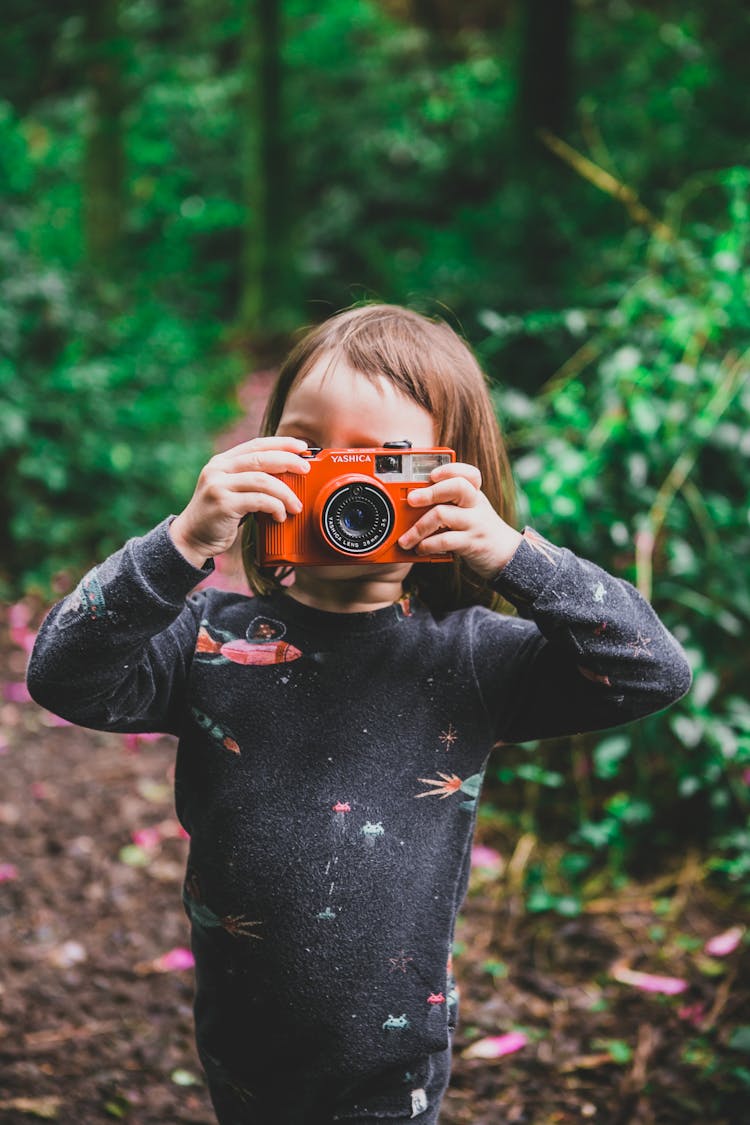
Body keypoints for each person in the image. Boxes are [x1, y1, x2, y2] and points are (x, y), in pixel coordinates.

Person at [27, 304, 691, 1124]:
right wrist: (181, 540)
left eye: (385, 461)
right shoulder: (210, 642)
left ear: (454, 476)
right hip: (242, 1052)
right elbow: (63, 675)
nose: (349, 484)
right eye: (312, 451)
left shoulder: (472, 659)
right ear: (263, 462)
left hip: (393, 1064)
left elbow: (651, 670)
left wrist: (512, 553)